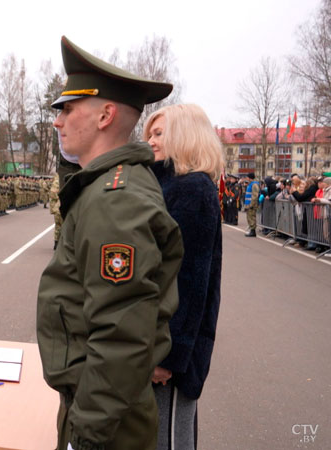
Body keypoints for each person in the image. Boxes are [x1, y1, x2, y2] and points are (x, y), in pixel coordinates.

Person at [36, 35, 183, 450]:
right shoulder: (111, 187)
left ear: (105, 116)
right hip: (106, 401)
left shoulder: (113, 199)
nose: (57, 121)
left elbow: (120, 335)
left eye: (67, 109)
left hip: (106, 415)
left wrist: (86, 434)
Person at [144, 104, 224, 450]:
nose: (150, 141)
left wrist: (168, 357)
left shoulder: (192, 189)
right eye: (149, 134)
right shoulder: (172, 186)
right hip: (160, 344)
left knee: (170, 440)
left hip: (172, 358)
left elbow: (189, 282)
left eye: (159, 134)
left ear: (184, 135)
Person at [242, 172, 260, 236]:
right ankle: (251, 230)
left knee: (252, 217)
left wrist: (251, 205)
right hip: (248, 204)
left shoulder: (254, 184)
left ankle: (253, 231)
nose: (246, 178)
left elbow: (255, 196)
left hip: (251, 205)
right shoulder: (250, 184)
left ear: (250, 178)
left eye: (247, 177)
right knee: (249, 217)